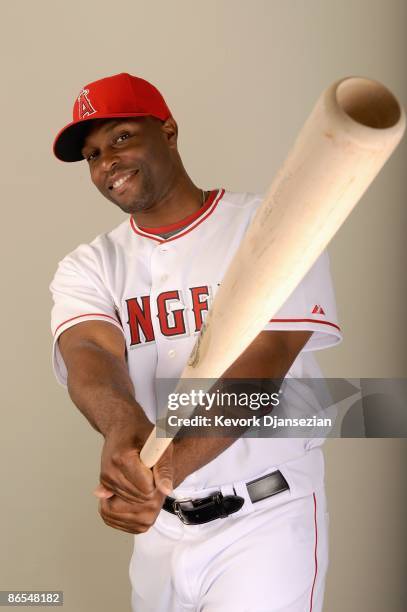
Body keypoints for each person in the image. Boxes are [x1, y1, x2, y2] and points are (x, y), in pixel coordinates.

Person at [50, 72, 342, 612]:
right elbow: (89, 353)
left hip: (264, 521)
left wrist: (153, 476)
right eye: (91, 155)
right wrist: (122, 430)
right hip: (159, 534)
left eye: (120, 137)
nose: (106, 162)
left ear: (168, 131)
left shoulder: (267, 224)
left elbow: (262, 369)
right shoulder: (88, 265)